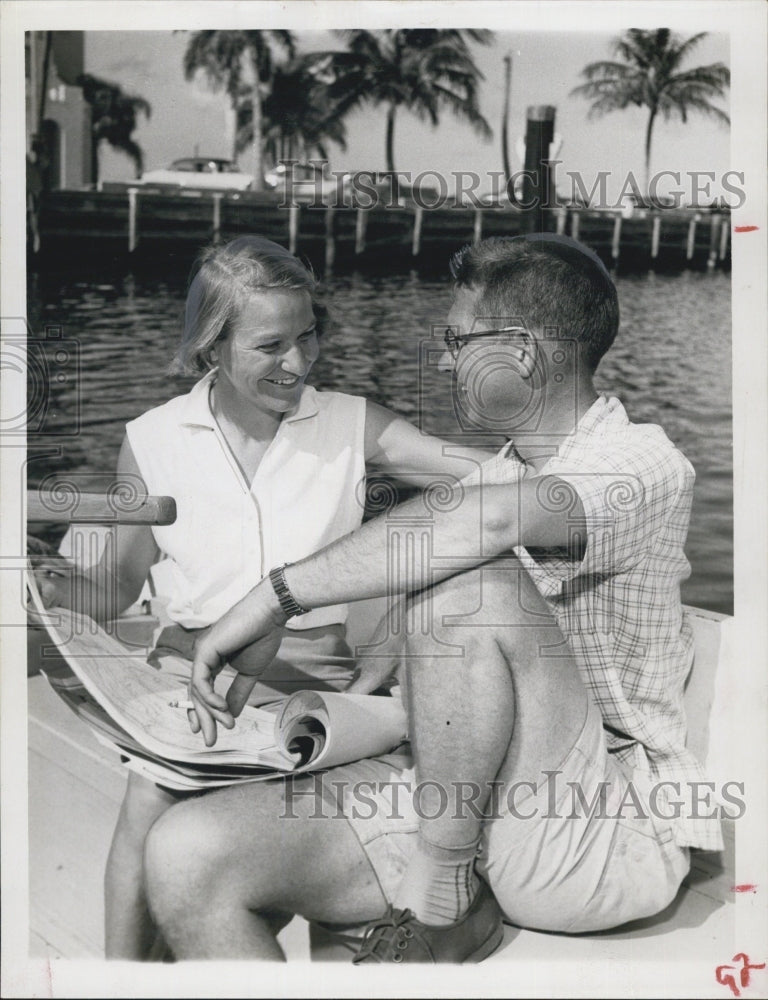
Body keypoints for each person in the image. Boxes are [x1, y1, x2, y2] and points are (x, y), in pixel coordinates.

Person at [143, 234, 724, 963]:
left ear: (520, 352)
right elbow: (431, 587)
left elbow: (483, 528)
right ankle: (441, 883)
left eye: (456, 341)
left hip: (603, 825)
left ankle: (441, 897)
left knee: (467, 579)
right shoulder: (493, 484)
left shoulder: (644, 462)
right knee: (185, 855)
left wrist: (274, 597)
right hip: (463, 798)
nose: (444, 360)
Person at [31, 234, 492, 960]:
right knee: (149, 802)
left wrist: (419, 610)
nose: (300, 363)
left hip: (319, 691)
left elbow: (484, 480)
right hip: (194, 687)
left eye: (308, 336)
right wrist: (44, 585)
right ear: (212, 347)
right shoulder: (152, 440)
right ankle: (120, 977)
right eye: (272, 345)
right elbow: (116, 583)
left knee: (166, 816)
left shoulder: (351, 422)